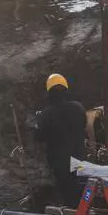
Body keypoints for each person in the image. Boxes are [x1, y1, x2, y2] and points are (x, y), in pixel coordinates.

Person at [34, 73, 87, 205]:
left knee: (66, 193)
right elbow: (83, 125)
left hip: (59, 163)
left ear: (49, 92)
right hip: (79, 158)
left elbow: (39, 137)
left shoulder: (46, 114)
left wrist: (39, 122)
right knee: (81, 189)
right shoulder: (78, 107)